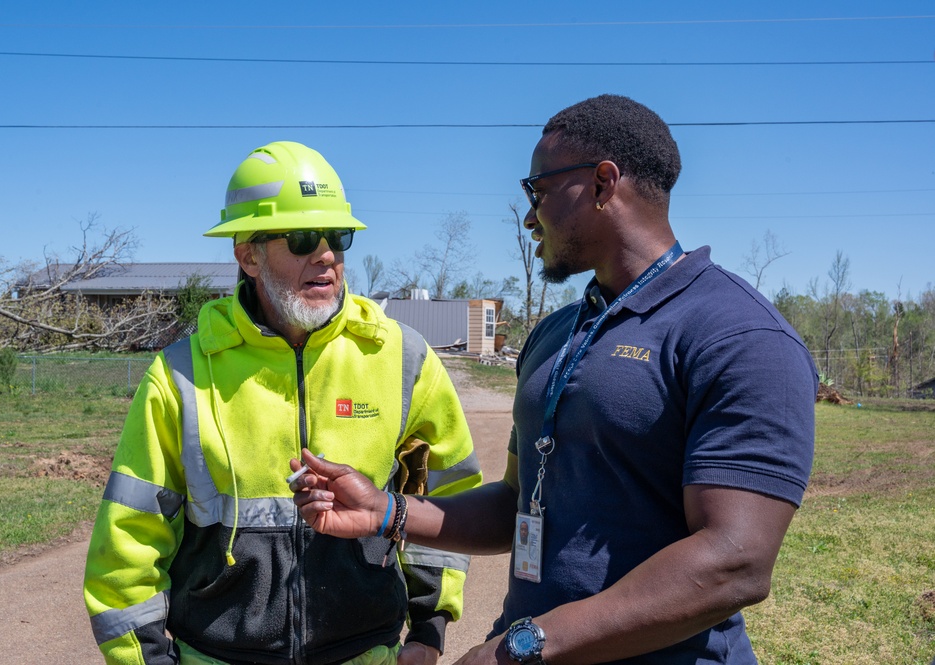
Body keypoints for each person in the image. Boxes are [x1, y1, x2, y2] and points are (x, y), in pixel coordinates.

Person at [290, 96, 817, 664]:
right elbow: (521, 502)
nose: (528, 216)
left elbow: (734, 562)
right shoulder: (557, 333)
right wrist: (389, 513)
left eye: (536, 190)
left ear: (602, 183)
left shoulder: (739, 336)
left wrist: (521, 649)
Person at [83, 141, 483, 665]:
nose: (326, 256)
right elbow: (127, 547)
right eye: (301, 239)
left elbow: (447, 500)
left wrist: (429, 631)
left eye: (338, 238)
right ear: (247, 254)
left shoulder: (401, 358)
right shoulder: (181, 376)